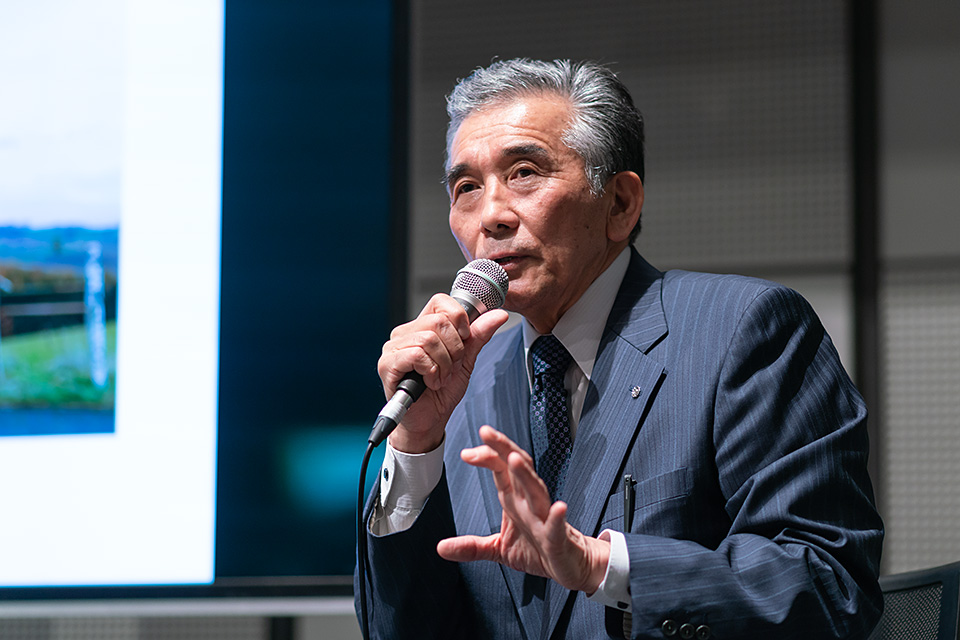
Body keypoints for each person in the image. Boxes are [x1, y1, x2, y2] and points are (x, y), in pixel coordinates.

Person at [356, 58, 883, 639]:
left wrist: (606, 567)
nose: (491, 217)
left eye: (526, 172)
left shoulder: (744, 332)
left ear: (620, 205)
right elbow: (398, 630)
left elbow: (831, 588)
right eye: (466, 188)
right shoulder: (458, 388)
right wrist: (414, 445)